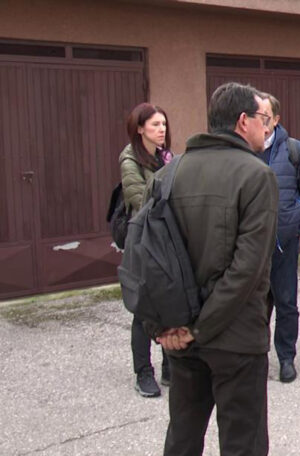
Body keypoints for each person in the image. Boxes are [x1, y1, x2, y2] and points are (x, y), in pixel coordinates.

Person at [156, 82, 279, 455]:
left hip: (181, 335)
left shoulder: (169, 173)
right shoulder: (256, 175)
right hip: (235, 338)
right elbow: (248, 270)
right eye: (262, 119)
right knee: (243, 443)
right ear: (243, 121)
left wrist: (165, 327)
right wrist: (197, 329)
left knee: (183, 438)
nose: (266, 128)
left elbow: (144, 262)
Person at [258, 93, 300, 383]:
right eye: (255, 115)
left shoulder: (294, 149)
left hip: (284, 243)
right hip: (252, 245)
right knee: (254, 306)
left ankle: (286, 358)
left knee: (286, 303)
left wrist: (298, 225)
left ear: (276, 119)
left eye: (265, 115)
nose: (260, 121)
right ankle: (257, 357)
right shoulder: (242, 149)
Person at [119, 102, 174, 398]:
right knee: (142, 308)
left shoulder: (167, 157)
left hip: (165, 238)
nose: (161, 129)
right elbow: (141, 201)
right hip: (141, 240)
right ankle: (143, 372)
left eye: (163, 124)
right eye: (155, 124)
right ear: (140, 129)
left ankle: (169, 366)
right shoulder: (129, 159)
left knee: (168, 301)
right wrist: (166, 178)